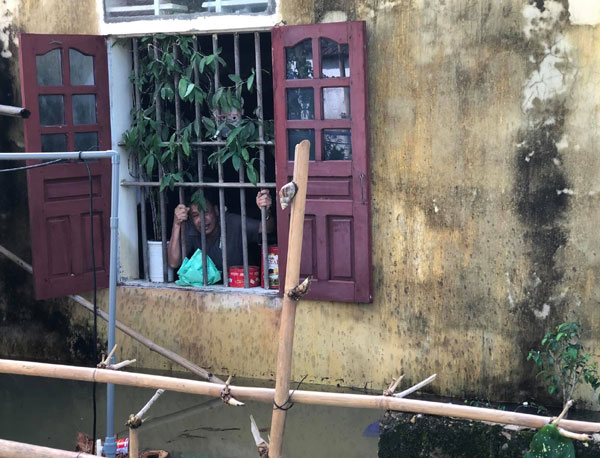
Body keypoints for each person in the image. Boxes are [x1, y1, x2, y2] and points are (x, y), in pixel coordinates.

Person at [167, 190, 273, 273]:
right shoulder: (191, 229)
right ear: (190, 219)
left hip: (240, 284)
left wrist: (266, 210)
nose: (202, 220)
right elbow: (173, 263)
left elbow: (267, 229)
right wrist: (177, 224)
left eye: (206, 212)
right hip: (208, 289)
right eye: (195, 215)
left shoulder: (233, 222)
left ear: (216, 211)